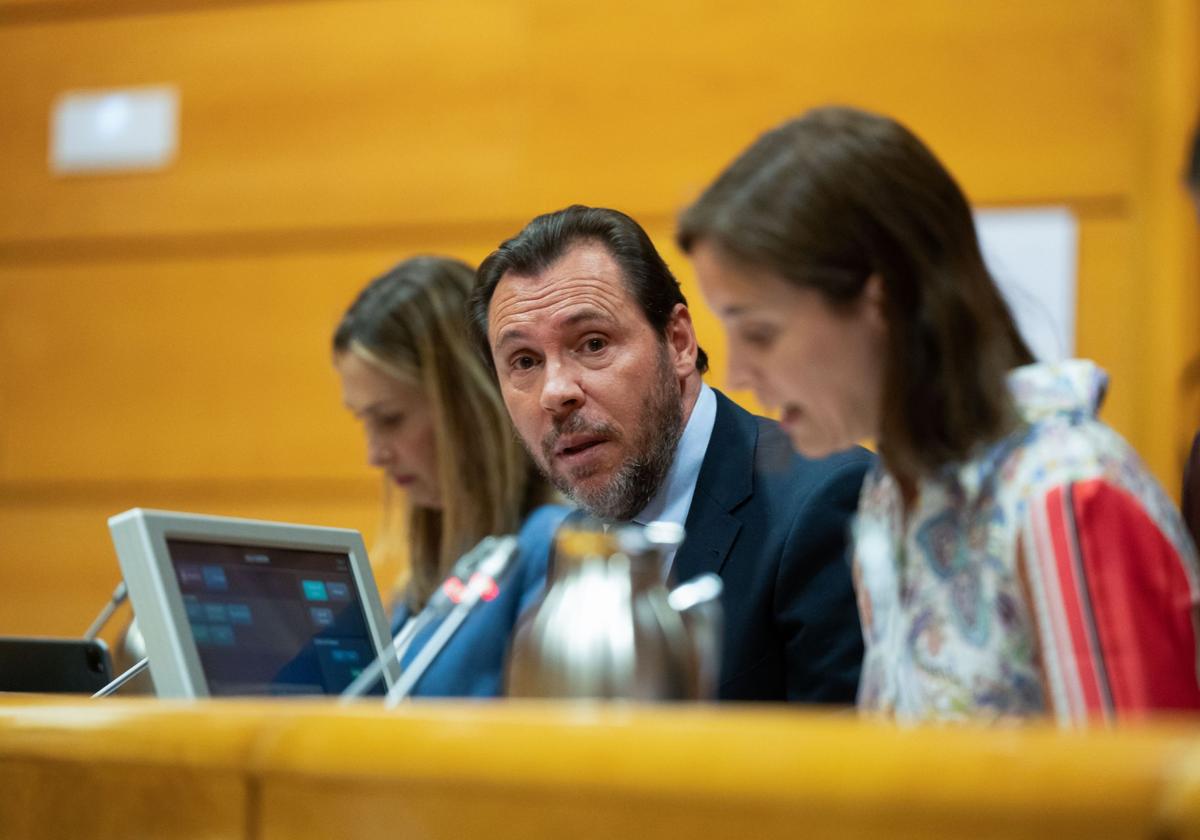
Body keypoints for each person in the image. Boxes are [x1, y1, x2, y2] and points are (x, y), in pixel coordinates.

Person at [677, 105, 1200, 724]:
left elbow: (1136, 811)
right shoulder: (892, 496)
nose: (737, 373)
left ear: (883, 302)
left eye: (760, 332)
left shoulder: (1067, 497)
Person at [467, 206, 871, 703]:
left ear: (678, 342)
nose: (556, 392)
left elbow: (844, 769)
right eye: (524, 361)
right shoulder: (572, 538)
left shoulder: (824, 503)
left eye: (592, 344)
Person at [333, 256, 566, 697]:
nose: (375, 455)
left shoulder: (551, 547)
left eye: (390, 418)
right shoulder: (428, 583)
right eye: (364, 421)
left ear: (469, 409)